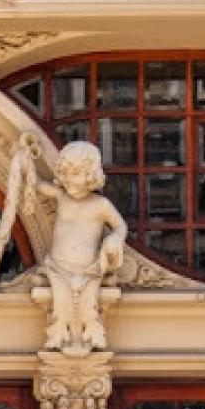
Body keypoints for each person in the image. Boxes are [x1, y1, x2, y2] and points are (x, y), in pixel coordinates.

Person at [32, 140, 127, 354]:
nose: (68, 180)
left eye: (75, 173)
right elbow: (37, 184)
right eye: (65, 174)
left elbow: (120, 226)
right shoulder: (62, 197)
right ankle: (60, 334)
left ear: (91, 175)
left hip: (87, 271)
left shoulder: (100, 205)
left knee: (88, 306)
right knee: (62, 305)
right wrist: (26, 160)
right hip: (58, 268)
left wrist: (115, 239)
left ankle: (89, 333)